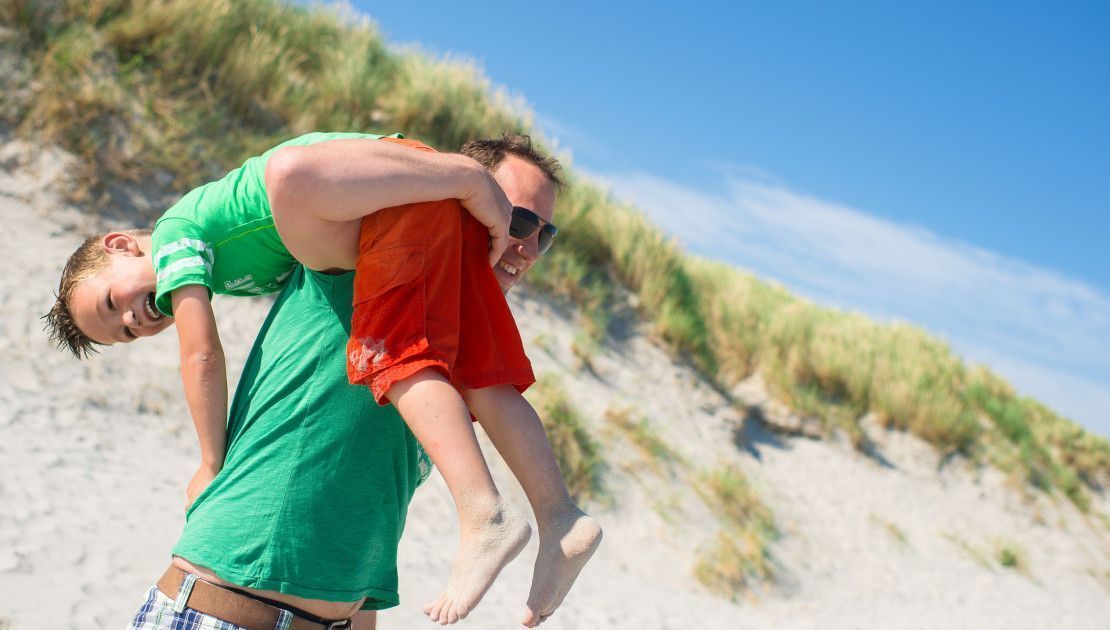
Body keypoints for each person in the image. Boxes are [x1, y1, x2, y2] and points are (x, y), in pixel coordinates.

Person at [49, 134, 600, 628]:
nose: (525, 246)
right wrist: (463, 178)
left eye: (544, 236)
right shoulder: (362, 249)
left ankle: (556, 517)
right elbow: (293, 177)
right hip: (220, 606)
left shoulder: (465, 355)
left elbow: (373, 521)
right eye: (517, 219)